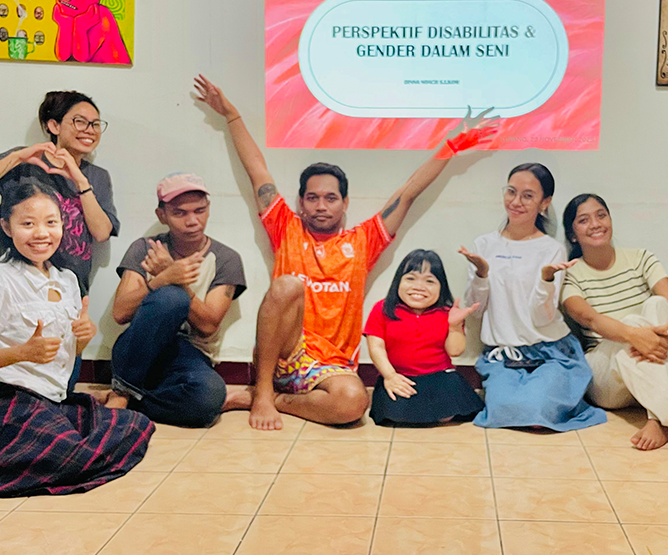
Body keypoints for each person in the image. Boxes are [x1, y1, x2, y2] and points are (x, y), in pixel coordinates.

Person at [193, 74, 496, 431]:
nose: (321, 206)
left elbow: (409, 192)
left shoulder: (364, 240)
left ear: (345, 203)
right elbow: (257, 171)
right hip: (285, 353)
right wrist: (231, 116)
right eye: (312, 198)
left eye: (331, 198)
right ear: (301, 203)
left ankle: (272, 400)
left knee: (353, 404)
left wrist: (452, 145)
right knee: (287, 285)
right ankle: (261, 393)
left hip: (332, 366)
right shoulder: (287, 228)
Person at [0, 180, 153, 498]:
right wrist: (21, 353)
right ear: (7, 227)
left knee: (135, 424)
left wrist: (83, 337)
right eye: (28, 224)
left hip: (50, 402)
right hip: (3, 401)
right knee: (68, 453)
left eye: (51, 222)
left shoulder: (67, 280)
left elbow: (66, 353)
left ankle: (37, 459)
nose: (41, 233)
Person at [0, 90, 119, 394]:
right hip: (18, 289)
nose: (89, 130)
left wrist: (80, 180)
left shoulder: (97, 176)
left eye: (95, 124)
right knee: (10, 380)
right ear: (53, 125)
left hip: (67, 291)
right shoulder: (24, 160)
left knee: (57, 388)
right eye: (80, 121)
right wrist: (16, 157)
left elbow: (101, 231)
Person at [560, 193, 668, 465]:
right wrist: (635, 335)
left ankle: (657, 419)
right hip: (607, 377)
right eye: (584, 220)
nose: (595, 224)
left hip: (652, 358)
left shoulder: (640, 258)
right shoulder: (570, 273)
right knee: (633, 323)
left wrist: (667, 333)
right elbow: (590, 319)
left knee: (658, 304)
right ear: (572, 235)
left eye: (601, 215)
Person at [461, 163, 606, 431]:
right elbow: (476, 310)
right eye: (511, 192)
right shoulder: (484, 245)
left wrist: (546, 280)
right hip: (503, 354)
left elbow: (543, 317)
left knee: (537, 415)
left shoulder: (551, 250)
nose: (516, 202)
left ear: (544, 203)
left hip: (550, 351)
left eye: (528, 196)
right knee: (503, 412)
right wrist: (481, 274)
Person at [106, 173, 247, 427]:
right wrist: (161, 279)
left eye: (199, 211)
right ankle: (122, 390)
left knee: (209, 398)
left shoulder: (226, 259)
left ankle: (135, 400)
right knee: (171, 298)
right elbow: (120, 313)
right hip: (138, 347)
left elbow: (208, 326)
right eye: (180, 213)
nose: (192, 221)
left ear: (208, 209)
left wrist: (178, 279)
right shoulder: (145, 248)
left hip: (189, 355)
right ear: (162, 215)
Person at [364, 249, 484, 426]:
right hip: (400, 376)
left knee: (455, 403)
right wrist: (390, 376)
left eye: (429, 281)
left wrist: (454, 326)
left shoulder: (448, 313)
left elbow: (455, 351)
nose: (419, 287)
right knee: (393, 414)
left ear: (441, 287)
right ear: (398, 282)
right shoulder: (382, 309)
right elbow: (376, 347)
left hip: (439, 377)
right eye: (411, 279)